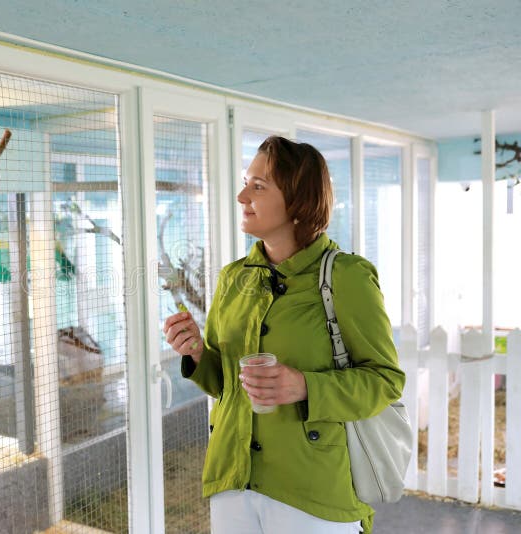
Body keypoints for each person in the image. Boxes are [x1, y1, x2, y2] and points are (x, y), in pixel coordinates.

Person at [163, 136, 405, 534]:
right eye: (246, 182)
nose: (242, 196)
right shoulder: (233, 278)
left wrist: (305, 386)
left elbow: (385, 381)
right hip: (233, 482)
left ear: (299, 201)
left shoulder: (347, 277)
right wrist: (195, 353)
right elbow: (224, 384)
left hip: (312, 489)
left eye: (259, 186)